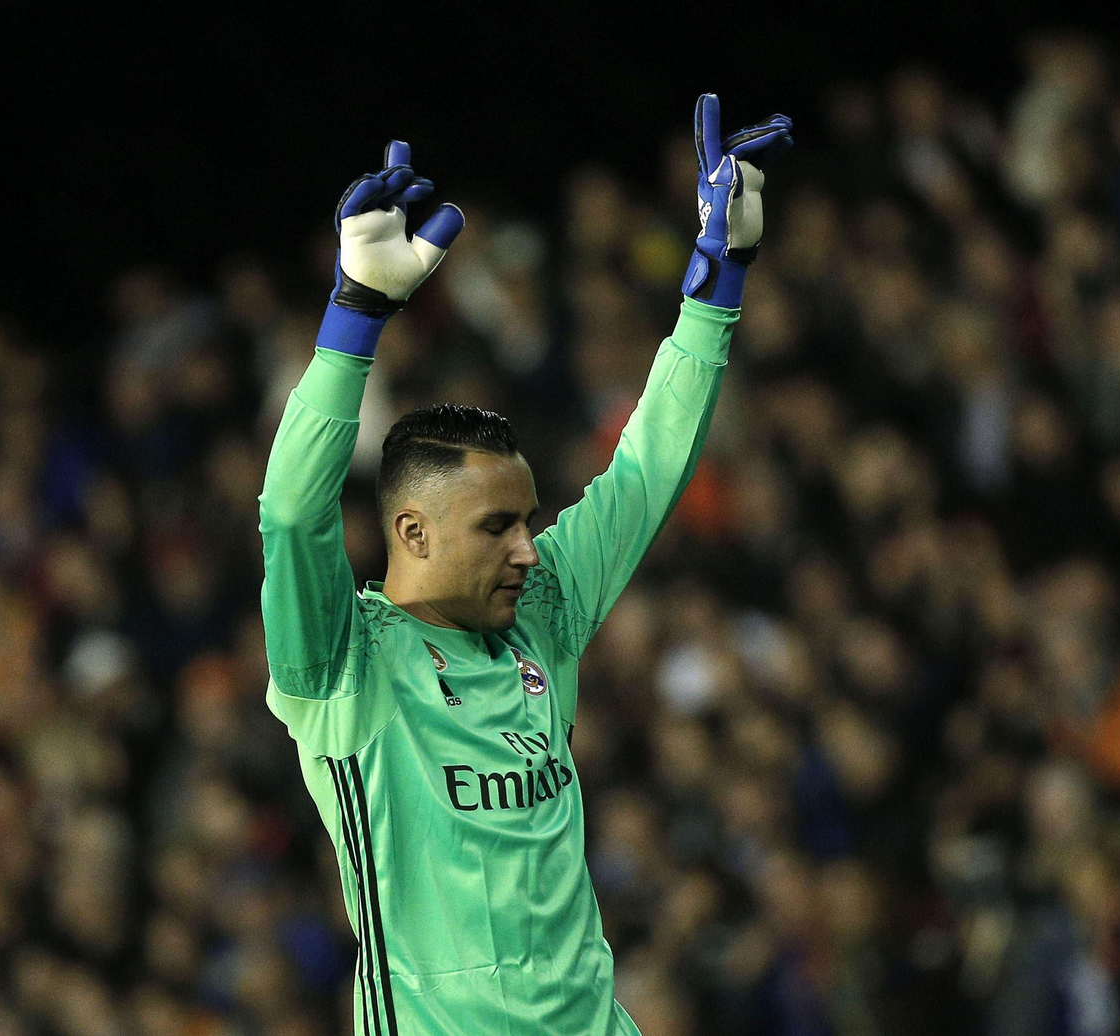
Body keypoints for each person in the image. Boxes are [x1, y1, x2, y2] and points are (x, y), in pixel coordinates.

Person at [259, 95, 793, 1035]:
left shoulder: (537, 609)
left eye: (527, 523)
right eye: (495, 528)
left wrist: (717, 285)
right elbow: (291, 512)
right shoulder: (342, 663)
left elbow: (645, 470)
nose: (524, 549)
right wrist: (356, 316)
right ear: (413, 534)